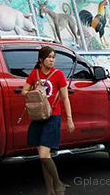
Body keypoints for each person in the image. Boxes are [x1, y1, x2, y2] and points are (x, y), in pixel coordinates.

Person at [22, 46, 73, 195]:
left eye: (53, 57)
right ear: (41, 60)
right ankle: (50, 191)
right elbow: (24, 91)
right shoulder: (35, 74)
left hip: (52, 117)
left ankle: (58, 183)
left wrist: (69, 119)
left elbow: (65, 98)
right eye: (49, 57)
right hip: (38, 117)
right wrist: (36, 91)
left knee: (44, 155)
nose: (52, 60)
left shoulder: (58, 75)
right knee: (44, 158)